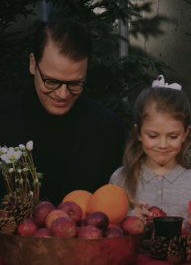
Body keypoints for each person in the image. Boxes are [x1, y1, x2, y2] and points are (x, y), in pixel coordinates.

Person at [0, 20, 127, 206]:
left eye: (75, 83)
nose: (62, 94)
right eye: (51, 81)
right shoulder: (3, 120)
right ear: (32, 63)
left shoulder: (109, 128)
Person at [109, 75, 191, 221]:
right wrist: (129, 222)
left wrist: (187, 230)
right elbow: (109, 232)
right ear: (139, 132)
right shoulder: (120, 180)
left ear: (185, 134)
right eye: (153, 136)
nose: (163, 145)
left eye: (173, 137)